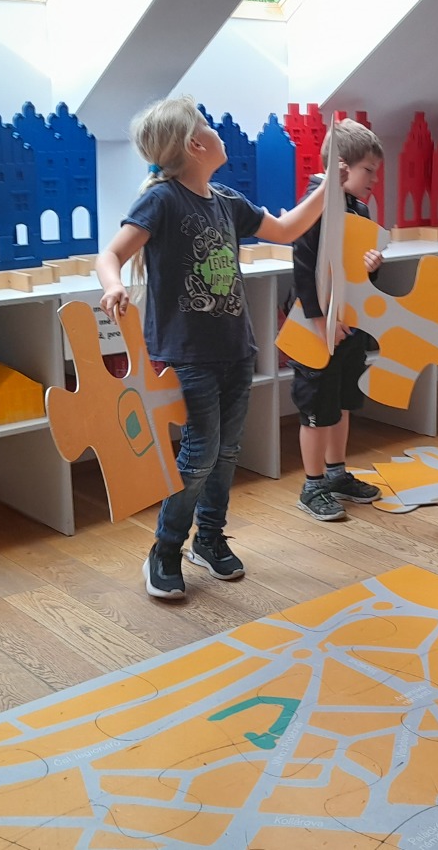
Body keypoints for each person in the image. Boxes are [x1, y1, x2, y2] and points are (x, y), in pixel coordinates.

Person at [96, 97, 328, 600]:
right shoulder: (162, 200)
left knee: (226, 452)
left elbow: (287, 230)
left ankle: (210, 539)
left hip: (236, 348)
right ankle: (165, 549)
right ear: (195, 145)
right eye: (207, 126)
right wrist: (113, 285)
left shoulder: (226, 200)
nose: (217, 131)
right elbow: (111, 253)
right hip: (188, 353)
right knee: (199, 454)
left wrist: (328, 186)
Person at [285, 119, 386, 522]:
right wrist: (319, 320)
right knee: (316, 409)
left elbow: (356, 274)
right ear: (341, 167)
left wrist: (372, 265)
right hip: (315, 328)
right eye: (369, 171)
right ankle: (312, 486)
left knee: (343, 403)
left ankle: (336, 473)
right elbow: (303, 268)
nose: (374, 180)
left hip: (349, 325)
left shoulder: (358, 208)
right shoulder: (316, 205)